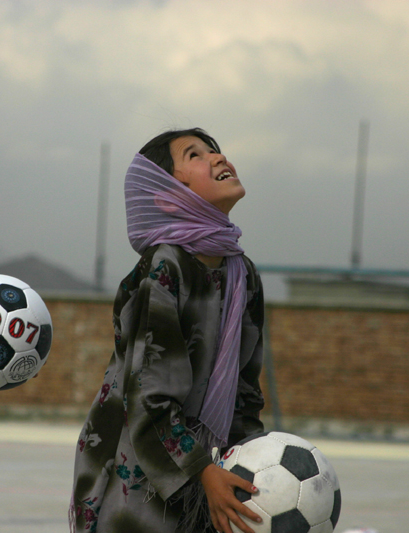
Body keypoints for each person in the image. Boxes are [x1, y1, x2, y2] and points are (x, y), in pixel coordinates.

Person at [69, 128, 266, 533]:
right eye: (196, 154)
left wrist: (255, 462)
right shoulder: (165, 268)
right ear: (166, 196)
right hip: (141, 481)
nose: (217, 157)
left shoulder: (241, 273)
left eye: (216, 149)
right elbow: (149, 398)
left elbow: (245, 391)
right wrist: (202, 472)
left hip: (212, 473)